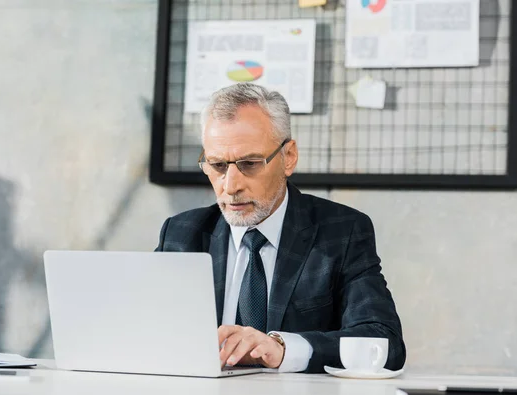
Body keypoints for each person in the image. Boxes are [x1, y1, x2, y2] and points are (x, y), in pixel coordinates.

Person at [155, 83, 406, 373]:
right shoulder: (181, 234)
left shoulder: (341, 232)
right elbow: (144, 332)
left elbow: (384, 344)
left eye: (249, 163)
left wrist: (284, 349)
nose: (230, 186)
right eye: (218, 165)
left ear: (288, 157)